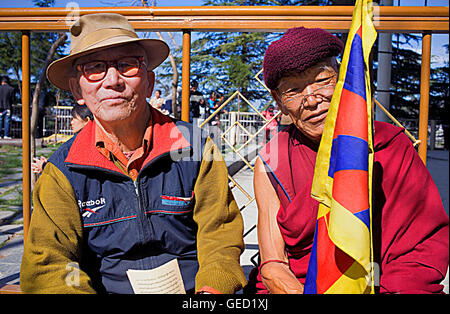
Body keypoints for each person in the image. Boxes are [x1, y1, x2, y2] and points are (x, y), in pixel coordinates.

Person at [21, 13, 247, 294]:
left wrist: (211, 290)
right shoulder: (63, 170)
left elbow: (220, 235)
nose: (113, 80)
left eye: (127, 64)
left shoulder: (195, 148)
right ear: (77, 89)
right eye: (95, 68)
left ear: (149, 82)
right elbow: (48, 264)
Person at [252, 27, 449, 294]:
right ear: (279, 101)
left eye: (322, 80)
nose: (311, 100)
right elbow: (273, 265)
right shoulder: (272, 161)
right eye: (293, 90)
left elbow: (418, 252)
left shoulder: (389, 146)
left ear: (344, 78)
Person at [31, 104, 93, 175]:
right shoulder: (92, 138)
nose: (71, 122)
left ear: (86, 120)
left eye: (74, 118)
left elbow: (70, 172)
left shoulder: (78, 142)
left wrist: (44, 167)